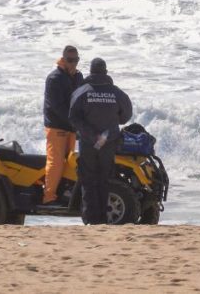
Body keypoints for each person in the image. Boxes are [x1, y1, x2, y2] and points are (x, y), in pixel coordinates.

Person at [69, 58, 133, 225]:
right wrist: (110, 125)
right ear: (105, 72)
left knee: (88, 180)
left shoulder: (82, 92)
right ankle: (103, 220)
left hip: (89, 143)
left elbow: (73, 117)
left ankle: (91, 220)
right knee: (104, 180)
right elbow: (126, 116)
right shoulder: (117, 93)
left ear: (91, 72)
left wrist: (91, 134)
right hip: (108, 143)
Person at [42, 45, 84, 206]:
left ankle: (64, 194)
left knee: (70, 161)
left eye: (76, 60)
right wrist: (76, 123)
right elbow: (57, 107)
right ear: (63, 59)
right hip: (57, 126)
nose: (73, 63)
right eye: (70, 60)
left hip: (71, 126)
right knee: (56, 161)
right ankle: (49, 196)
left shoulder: (78, 77)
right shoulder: (54, 78)